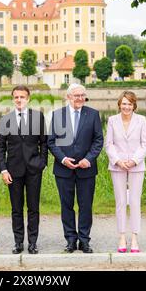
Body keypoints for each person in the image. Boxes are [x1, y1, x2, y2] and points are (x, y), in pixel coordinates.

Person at [48, 83, 104, 253]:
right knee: (67, 206)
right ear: (68, 97)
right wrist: (63, 159)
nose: (80, 98)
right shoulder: (57, 115)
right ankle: (71, 240)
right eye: (76, 95)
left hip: (86, 169)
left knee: (85, 205)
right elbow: (51, 141)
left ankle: (84, 240)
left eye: (82, 95)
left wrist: (89, 158)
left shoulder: (93, 114)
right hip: (63, 169)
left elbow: (98, 140)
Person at [0, 85, 48, 254]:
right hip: (13, 171)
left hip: (34, 170)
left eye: (22, 97)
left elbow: (44, 143)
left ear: (28, 98)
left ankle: (32, 242)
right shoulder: (5, 120)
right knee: (16, 209)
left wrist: (42, 163)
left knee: (33, 208)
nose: (19, 100)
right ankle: (18, 242)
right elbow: (0, 147)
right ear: (13, 99)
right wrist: (3, 170)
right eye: (16, 97)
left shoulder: (38, 117)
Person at [105, 91, 146, 253]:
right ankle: (122, 237)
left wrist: (134, 161)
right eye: (123, 103)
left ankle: (135, 238)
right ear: (119, 105)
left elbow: (145, 144)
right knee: (121, 202)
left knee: (135, 202)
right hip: (117, 166)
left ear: (134, 105)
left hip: (136, 166)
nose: (126, 107)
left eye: (129, 104)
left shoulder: (141, 120)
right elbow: (109, 144)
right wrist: (118, 161)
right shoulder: (112, 121)